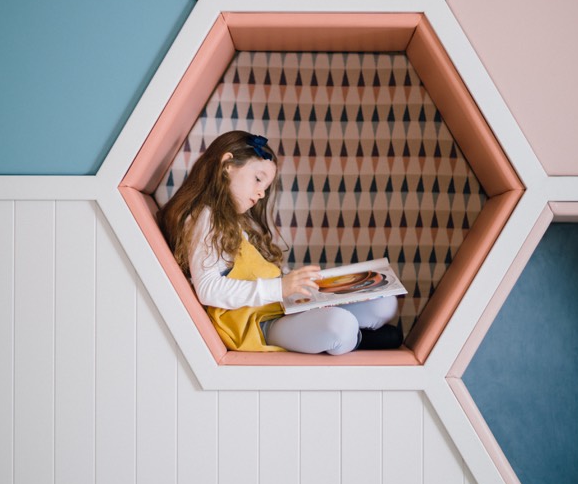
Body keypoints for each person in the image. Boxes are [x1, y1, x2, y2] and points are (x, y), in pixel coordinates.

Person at [157, 130, 398, 355]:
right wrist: (280, 288)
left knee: (385, 304)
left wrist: (304, 285)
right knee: (341, 326)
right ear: (227, 165)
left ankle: (345, 328)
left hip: (281, 305)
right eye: (258, 179)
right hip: (259, 320)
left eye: (266, 186)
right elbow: (208, 289)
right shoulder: (204, 217)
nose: (261, 193)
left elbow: (258, 274)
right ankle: (358, 338)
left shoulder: (234, 223)